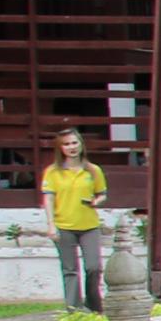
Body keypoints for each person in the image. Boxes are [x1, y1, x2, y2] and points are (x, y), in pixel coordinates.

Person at [38, 128, 105, 309]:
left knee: (94, 267)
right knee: (70, 269)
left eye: (74, 142)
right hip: (64, 225)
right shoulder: (52, 172)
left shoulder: (93, 170)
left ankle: (93, 304)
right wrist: (51, 225)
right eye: (66, 144)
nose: (71, 147)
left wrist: (95, 201)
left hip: (89, 225)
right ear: (60, 148)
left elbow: (102, 194)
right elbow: (48, 198)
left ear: (81, 144)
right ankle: (73, 309)